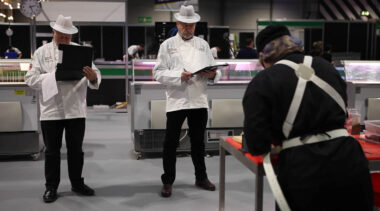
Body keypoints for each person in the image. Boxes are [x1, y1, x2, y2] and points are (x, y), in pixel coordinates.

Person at [243, 25, 373, 210]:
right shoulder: (326, 67)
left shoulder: (263, 81)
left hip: (304, 170)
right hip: (350, 160)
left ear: (263, 56)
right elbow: (342, 111)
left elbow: (257, 143)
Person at [25, 15, 101, 203]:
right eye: (61, 36)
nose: (65, 40)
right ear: (54, 33)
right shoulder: (41, 53)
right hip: (51, 110)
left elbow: (96, 75)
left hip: (75, 109)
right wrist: (53, 76)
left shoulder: (81, 52)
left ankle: (77, 183)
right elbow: (30, 79)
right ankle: (51, 187)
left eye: (68, 37)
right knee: (52, 152)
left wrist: (92, 77)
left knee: (76, 150)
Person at [153, 5, 221, 198]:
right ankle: (167, 181)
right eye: (183, 24)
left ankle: (201, 177)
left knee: (198, 143)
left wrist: (213, 74)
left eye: (191, 25)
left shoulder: (203, 45)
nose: (187, 28)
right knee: (170, 143)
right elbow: (157, 72)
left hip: (199, 100)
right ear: (177, 23)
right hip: (177, 100)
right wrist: (178, 76)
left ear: (195, 25)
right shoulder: (167, 45)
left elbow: (215, 70)